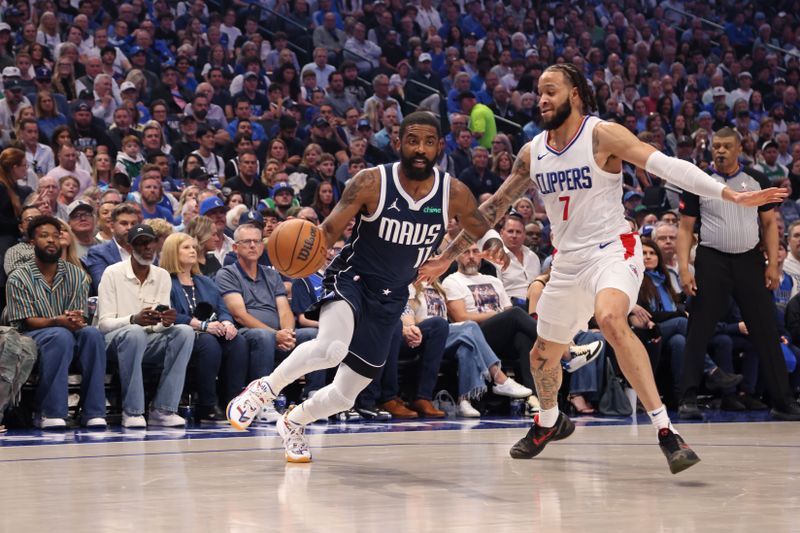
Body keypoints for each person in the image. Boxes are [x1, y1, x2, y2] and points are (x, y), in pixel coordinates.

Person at [423, 63, 786, 474]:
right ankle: (547, 421)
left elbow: (667, 165)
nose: (542, 99)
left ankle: (666, 430)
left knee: (611, 318)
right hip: (567, 261)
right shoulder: (532, 152)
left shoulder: (602, 135)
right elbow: (491, 209)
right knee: (543, 357)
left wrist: (727, 195)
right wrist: (447, 255)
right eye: (539, 92)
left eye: (551, 91)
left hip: (613, 249)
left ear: (575, 94)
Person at [226, 112, 507, 462]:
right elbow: (327, 233)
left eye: (429, 141)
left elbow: (479, 225)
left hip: (392, 297)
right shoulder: (371, 182)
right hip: (352, 279)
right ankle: (263, 390)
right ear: (398, 142)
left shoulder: (453, 192)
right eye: (413, 140)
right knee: (330, 348)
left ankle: (294, 422)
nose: (420, 149)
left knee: (346, 395)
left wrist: (468, 250)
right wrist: (299, 247)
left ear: (440, 147)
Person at [676, 128, 800, 421]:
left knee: (766, 330)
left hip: (749, 261)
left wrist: (772, 264)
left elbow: (769, 224)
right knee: (699, 330)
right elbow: (685, 227)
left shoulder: (757, 179)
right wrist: (684, 267)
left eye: (726, 146)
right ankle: (688, 397)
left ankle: (781, 401)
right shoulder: (698, 181)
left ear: (739, 148)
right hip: (711, 260)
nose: (719, 151)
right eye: (716, 146)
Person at [6, 215, 107, 429]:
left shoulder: (76, 274)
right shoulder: (18, 277)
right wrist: (58, 321)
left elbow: (78, 315)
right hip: (29, 338)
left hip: (66, 332)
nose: (51, 240)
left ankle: (94, 412)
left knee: (93, 334)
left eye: (55, 236)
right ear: (32, 243)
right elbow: (27, 321)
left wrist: (76, 320)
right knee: (60, 336)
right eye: (44, 236)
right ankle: (50, 411)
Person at [97, 223, 194, 428]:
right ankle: (132, 411)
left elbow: (155, 327)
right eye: (141, 244)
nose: (147, 248)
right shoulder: (112, 273)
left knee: (185, 332)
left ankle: (163, 409)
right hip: (112, 342)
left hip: (146, 338)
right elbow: (104, 324)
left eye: (150, 243)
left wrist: (165, 323)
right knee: (134, 333)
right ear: (130, 248)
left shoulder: (162, 275)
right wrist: (133, 319)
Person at [162, 232, 249, 420]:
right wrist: (201, 325)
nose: (193, 251)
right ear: (172, 252)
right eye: (186, 247)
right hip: (180, 336)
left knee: (238, 341)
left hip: (211, 331)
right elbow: (169, 314)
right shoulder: (165, 282)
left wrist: (227, 322)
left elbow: (222, 307)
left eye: (194, 247)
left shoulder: (204, 281)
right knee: (209, 343)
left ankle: (233, 403)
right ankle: (207, 404)